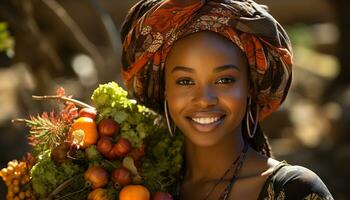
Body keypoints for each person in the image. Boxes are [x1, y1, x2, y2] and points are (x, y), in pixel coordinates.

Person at [119, 0, 334, 199]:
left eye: (224, 80)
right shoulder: (140, 185)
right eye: (185, 81)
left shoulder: (295, 190)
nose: (204, 100)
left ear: (250, 87)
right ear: (165, 89)